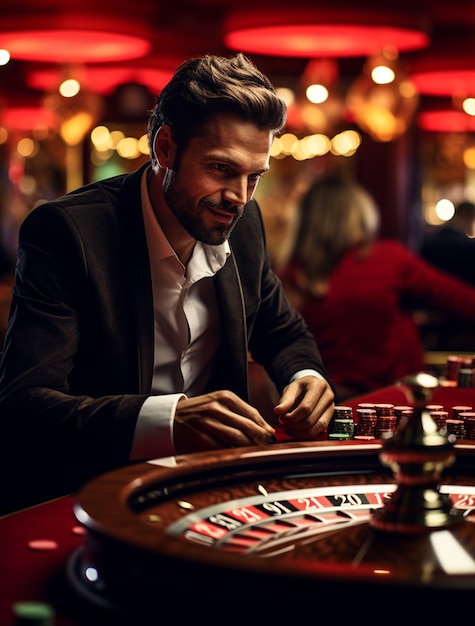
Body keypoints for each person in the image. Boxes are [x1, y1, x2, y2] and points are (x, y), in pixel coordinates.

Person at [0, 53, 335, 514]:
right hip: (92, 496)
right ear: (166, 149)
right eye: (222, 169)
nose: (238, 198)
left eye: (254, 177)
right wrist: (168, 419)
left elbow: (283, 332)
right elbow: (25, 406)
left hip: (213, 491)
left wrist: (306, 376)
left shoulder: (246, 222)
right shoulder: (67, 232)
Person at [279, 175, 475, 403]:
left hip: (327, 405)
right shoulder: (388, 259)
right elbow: (463, 301)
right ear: (360, 213)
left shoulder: (289, 274)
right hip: (395, 403)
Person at [418, 200, 475, 350]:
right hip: (463, 319)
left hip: (430, 317)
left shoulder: (428, 243)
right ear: (469, 217)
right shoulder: (469, 247)